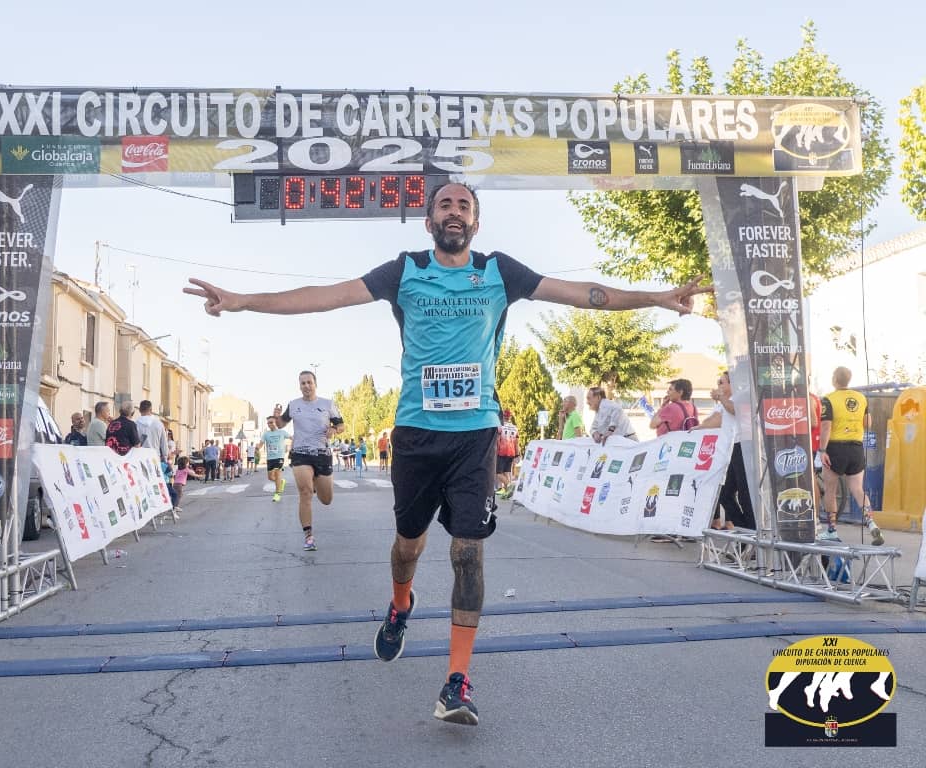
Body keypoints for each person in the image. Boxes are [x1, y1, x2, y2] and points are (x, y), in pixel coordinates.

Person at [184, 180, 708, 726]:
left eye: (464, 206)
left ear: (475, 223)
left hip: (475, 434)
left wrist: (656, 297)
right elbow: (324, 296)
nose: (454, 212)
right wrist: (243, 302)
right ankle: (400, 604)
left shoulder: (500, 271)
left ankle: (457, 681)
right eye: (444, 205)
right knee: (407, 546)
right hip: (416, 433)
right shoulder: (405, 270)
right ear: (429, 220)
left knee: (468, 551)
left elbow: (585, 294)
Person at [270, 371, 344, 551]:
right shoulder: (294, 405)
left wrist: (334, 430)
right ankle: (308, 536)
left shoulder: (327, 404)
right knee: (305, 492)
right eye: (303, 383)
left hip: (322, 454)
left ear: (315, 384)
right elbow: (280, 424)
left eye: (309, 382)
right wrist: (276, 417)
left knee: (326, 499)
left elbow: (341, 425)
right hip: (300, 453)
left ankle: (316, 482)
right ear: (299, 386)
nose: (306, 386)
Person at [819, 366, 884, 545]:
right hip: (856, 448)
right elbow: (868, 423)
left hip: (835, 448)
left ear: (834, 379)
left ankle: (831, 530)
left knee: (830, 490)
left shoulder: (829, 399)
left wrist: (822, 450)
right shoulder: (861, 398)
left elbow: (826, 426)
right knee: (857, 489)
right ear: (849, 380)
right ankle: (871, 523)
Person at [697, 372, 755, 530]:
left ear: (732, 384)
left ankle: (750, 531)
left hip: (744, 445)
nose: (718, 385)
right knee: (724, 492)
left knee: (744, 493)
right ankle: (744, 528)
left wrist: (721, 398)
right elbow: (714, 420)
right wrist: (698, 428)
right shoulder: (725, 401)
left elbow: (735, 410)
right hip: (731, 447)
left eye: (721, 382)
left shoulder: (743, 394)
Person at [262, 415, 290, 501]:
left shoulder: (282, 432)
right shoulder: (266, 434)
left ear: (276, 423)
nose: (269, 424)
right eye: (268, 423)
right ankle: (281, 482)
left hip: (279, 457)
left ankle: (277, 494)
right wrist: (257, 447)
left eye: (271, 422)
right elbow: (261, 443)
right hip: (270, 458)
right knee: (270, 477)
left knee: (277, 474)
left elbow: (292, 437)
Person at [495, 410, 519, 499]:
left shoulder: (500, 427)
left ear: (502, 416)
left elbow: (497, 440)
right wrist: (517, 454)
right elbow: (516, 443)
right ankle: (507, 494)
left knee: (498, 473)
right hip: (511, 452)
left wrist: (495, 451)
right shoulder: (515, 428)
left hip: (502, 452)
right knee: (507, 472)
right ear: (510, 417)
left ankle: (509, 486)